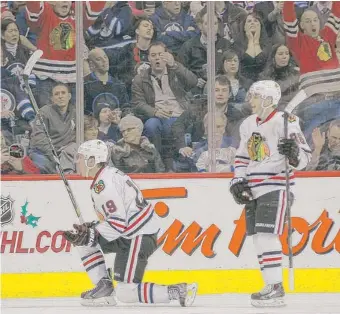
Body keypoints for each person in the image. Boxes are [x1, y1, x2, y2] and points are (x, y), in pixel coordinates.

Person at [62, 139, 197, 307]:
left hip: (138, 237)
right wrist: (93, 229)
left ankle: (177, 291)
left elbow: (119, 224)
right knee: (83, 242)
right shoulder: (108, 174)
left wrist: (92, 233)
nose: (76, 162)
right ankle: (104, 286)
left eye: (80, 158)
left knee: (126, 293)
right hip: (132, 233)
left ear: (92, 161)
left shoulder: (104, 186)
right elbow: (120, 218)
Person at [229, 80, 311, 307]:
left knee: (267, 236)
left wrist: (293, 153)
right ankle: (270, 285)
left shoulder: (286, 122)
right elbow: (243, 157)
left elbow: (304, 160)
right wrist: (238, 180)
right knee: (258, 239)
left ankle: (276, 286)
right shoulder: (248, 124)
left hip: (276, 186)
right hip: (254, 189)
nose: (250, 101)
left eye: (254, 96)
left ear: (267, 99)